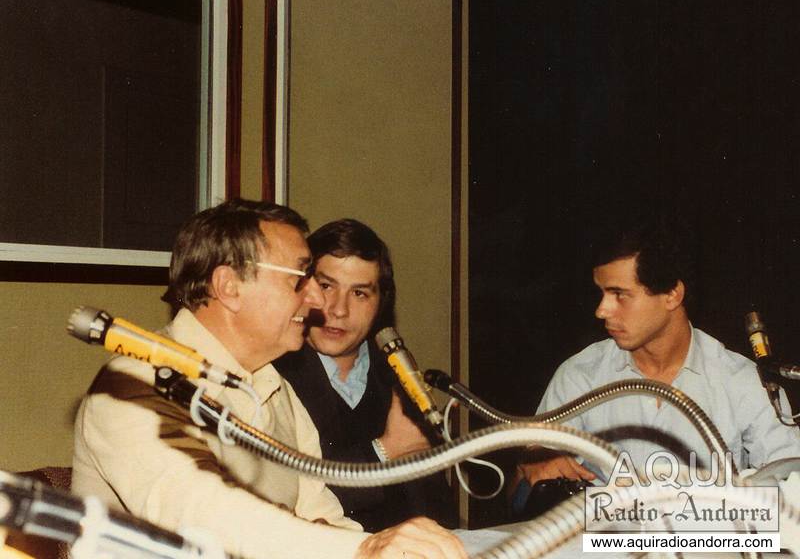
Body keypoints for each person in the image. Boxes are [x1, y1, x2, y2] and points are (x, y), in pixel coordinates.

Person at [72, 199, 467, 559]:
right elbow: (202, 514)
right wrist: (364, 548)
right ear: (229, 287)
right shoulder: (132, 383)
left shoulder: (273, 387)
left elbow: (321, 515)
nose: (317, 300)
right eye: (300, 278)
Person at [509, 220, 800, 515]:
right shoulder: (581, 376)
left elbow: (791, 494)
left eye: (619, 294)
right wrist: (533, 468)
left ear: (672, 295)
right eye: (601, 293)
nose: (601, 310)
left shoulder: (743, 381)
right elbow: (516, 501)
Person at [273, 219, 458, 533]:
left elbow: (435, 503)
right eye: (327, 286)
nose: (339, 310)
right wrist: (383, 452)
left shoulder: (399, 373)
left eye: (359, 293)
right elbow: (289, 501)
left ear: (381, 303)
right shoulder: (271, 373)